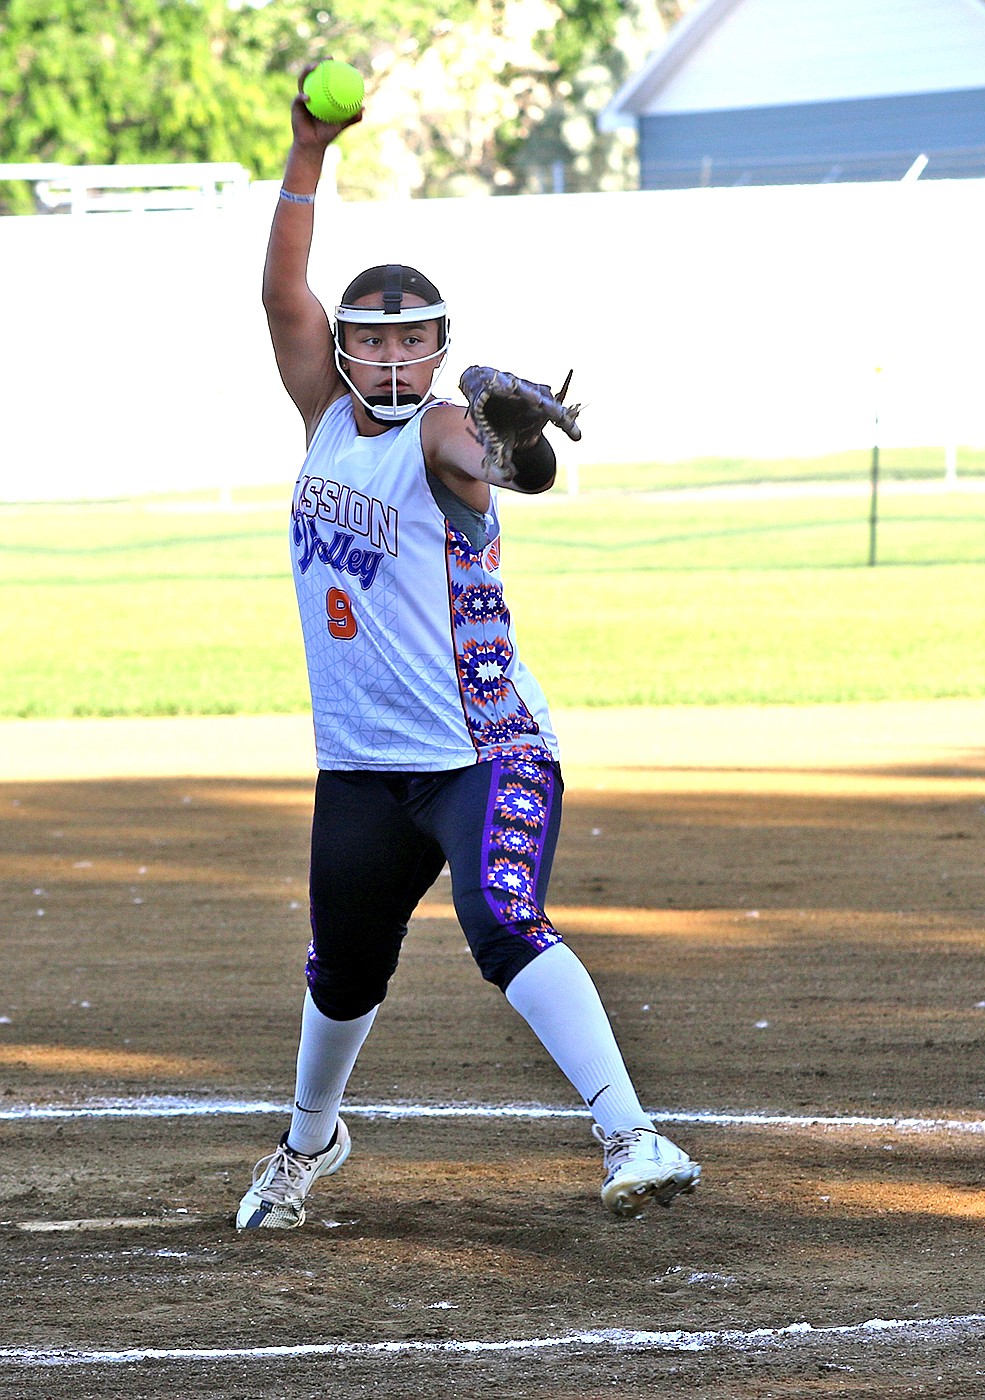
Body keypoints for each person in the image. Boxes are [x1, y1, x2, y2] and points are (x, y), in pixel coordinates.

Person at [235, 69, 700, 1231]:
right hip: (361, 763)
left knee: (501, 921)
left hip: (481, 748)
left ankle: (632, 1131)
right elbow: (281, 293)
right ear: (342, 352)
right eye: (370, 340)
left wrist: (519, 442)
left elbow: (505, 471)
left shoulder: (444, 426)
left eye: (412, 340)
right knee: (341, 964)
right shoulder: (326, 417)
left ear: (442, 346)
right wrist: (308, 151)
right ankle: (307, 1144)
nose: (391, 359)